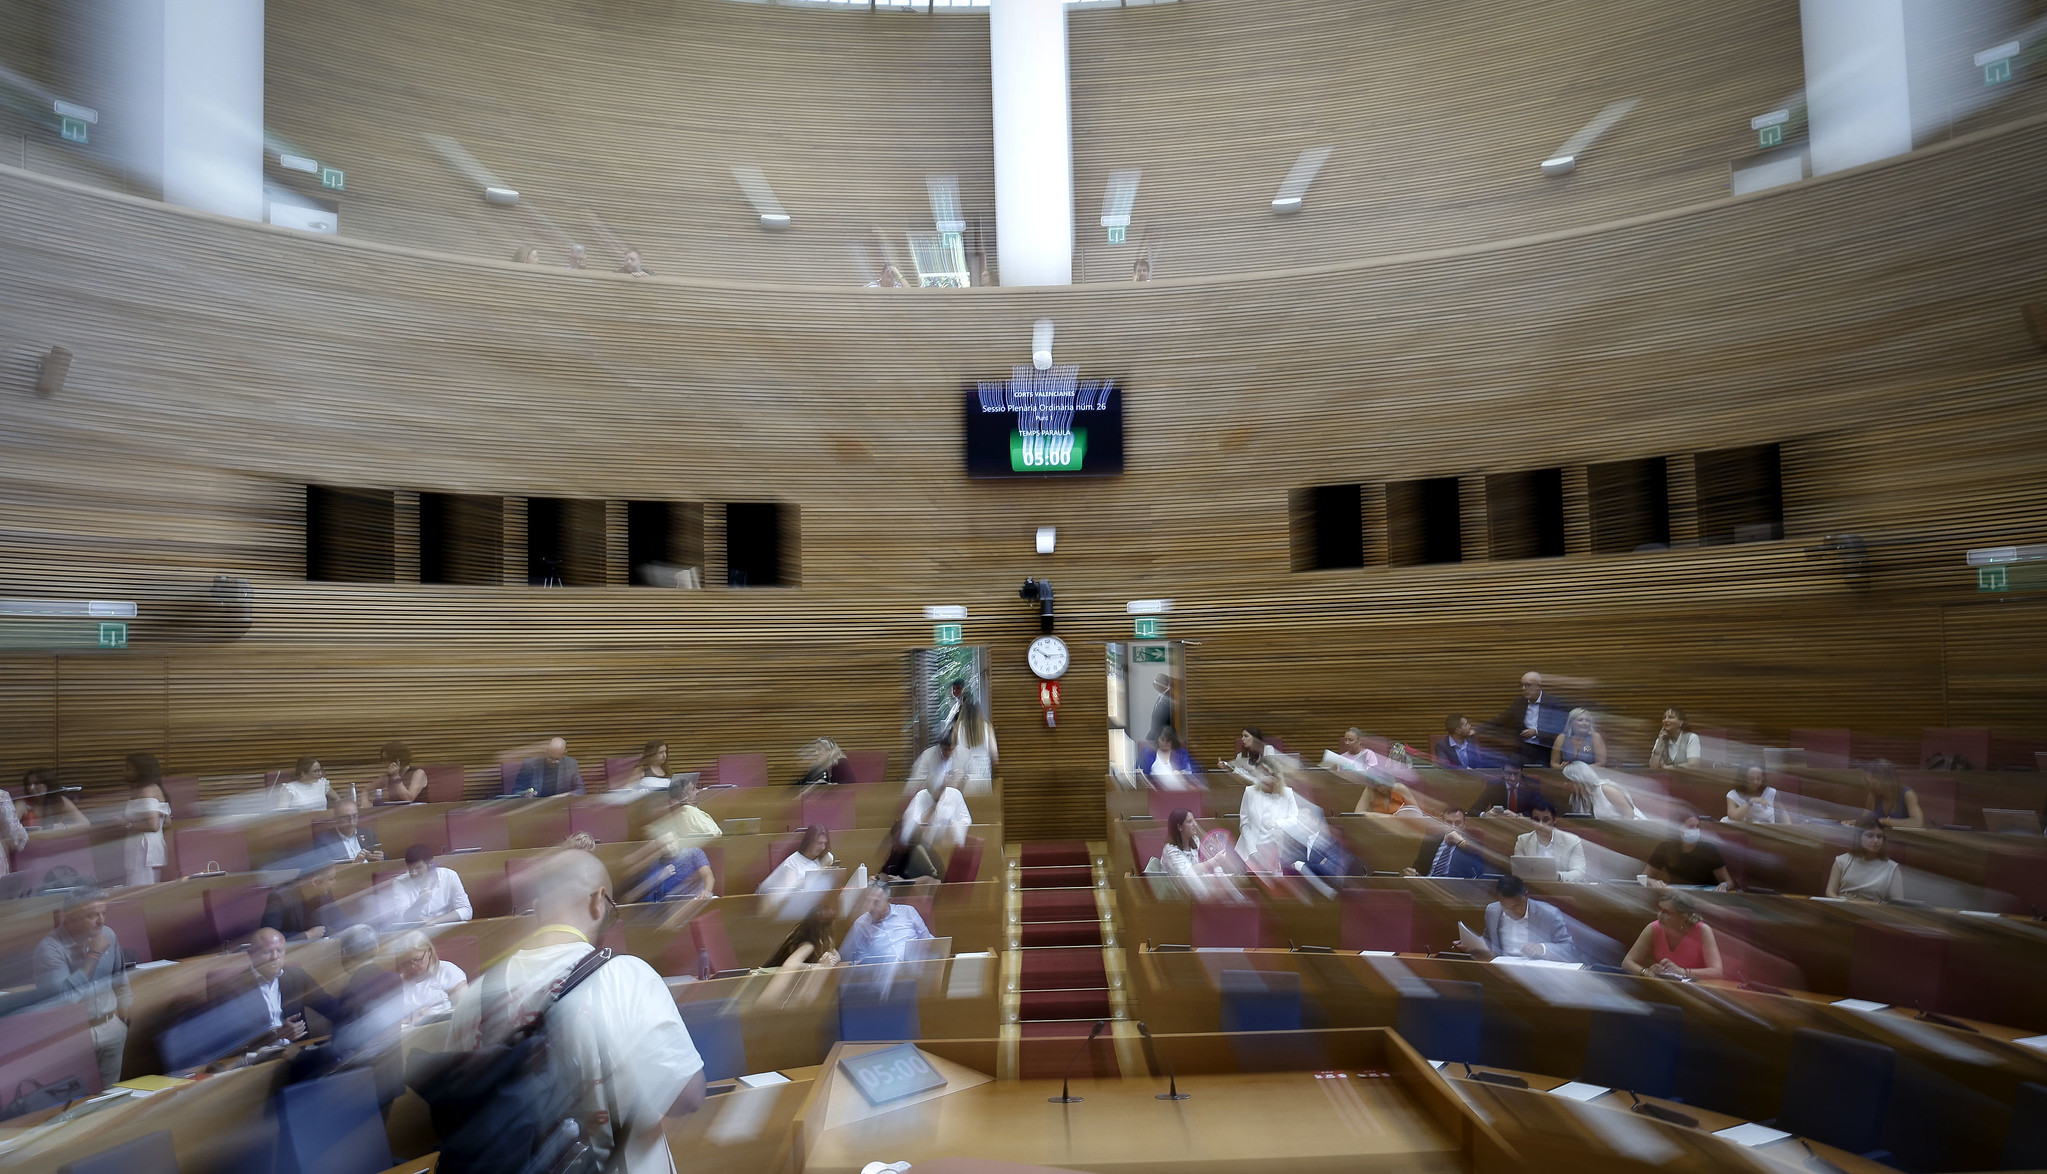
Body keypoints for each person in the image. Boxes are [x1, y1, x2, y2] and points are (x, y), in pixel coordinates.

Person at [448, 849, 704, 1174]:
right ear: (599, 900)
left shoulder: (473, 997)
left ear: (538, 911)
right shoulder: (624, 975)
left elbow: (462, 1111)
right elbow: (688, 1095)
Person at [33, 889, 132, 1086]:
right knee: (77, 1103)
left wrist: (124, 1020)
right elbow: (65, 999)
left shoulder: (109, 935)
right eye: (92, 915)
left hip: (112, 1028)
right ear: (71, 917)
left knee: (110, 1099)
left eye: (103, 913)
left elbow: (120, 979)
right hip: (73, 1038)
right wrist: (94, 955)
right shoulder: (49, 949)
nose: (101, 921)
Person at [219, 927, 341, 1044]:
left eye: (279, 951)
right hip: (256, 1057)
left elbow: (327, 1005)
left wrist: (352, 1011)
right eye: (267, 951)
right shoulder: (233, 987)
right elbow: (236, 1034)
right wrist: (275, 1034)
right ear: (251, 954)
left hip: (295, 1052)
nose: (275, 957)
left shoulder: (296, 977)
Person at [1235, 759, 1323, 874]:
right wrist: (1252, 851)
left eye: (1266, 774)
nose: (1261, 778)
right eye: (1259, 773)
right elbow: (1245, 824)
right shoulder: (1250, 792)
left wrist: (1277, 823)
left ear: (1276, 777)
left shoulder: (1287, 793)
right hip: (1250, 848)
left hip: (1274, 848)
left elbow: (1295, 819)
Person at [1465, 876, 1580, 962]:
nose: (1511, 912)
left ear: (1526, 896)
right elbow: (1489, 940)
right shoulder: (1493, 910)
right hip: (1503, 969)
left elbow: (1569, 949)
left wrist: (1543, 948)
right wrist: (1472, 943)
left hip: (1537, 973)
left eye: (1516, 906)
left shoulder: (1549, 913)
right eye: (1505, 906)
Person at [1624, 893, 1724, 980]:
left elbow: (1717, 972)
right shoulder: (1653, 927)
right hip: (1665, 987)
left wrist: (1683, 972)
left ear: (1683, 917)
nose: (1659, 915)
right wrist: (1647, 972)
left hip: (1697, 989)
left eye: (1666, 912)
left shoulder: (1703, 930)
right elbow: (1627, 962)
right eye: (1659, 909)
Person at [1489, 671, 1572, 767]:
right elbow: (1502, 719)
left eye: (1527, 685)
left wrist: (1536, 732)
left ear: (1538, 686)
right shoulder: (1519, 701)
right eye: (1522, 685)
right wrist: (1477, 730)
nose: (1524, 689)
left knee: (1544, 771)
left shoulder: (1552, 701)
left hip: (1544, 747)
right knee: (1510, 765)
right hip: (1524, 747)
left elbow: (1558, 728)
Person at [385, 931, 468, 1024]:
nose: (412, 966)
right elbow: (391, 1022)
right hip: (409, 1034)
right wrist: (410, 1021)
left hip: (443, 1030)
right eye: (406, 962)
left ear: (429, 952)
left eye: (417, 960)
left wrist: (434, 1017)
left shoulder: (447, 971)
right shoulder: (398, 982)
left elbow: (465, 1010)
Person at [841, 883, 934, 965]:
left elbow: (926, 939)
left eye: (876, 902)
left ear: (888, 900)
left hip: (914, 966)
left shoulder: (908, 912)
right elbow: (862, 958)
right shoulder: (861, 924)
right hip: (881, 974)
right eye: (868, 901)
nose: (870, 907)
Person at [381, 844, 474, 926]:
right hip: (416, 933)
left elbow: (466, 911)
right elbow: (403, 919)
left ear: (430, 864)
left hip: (446, 926)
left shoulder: (450, 876)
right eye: (410, 869)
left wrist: (434, 920)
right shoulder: (400, 882)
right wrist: (419, 903)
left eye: (418, 868)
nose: (413, 873)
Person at [1159, 809, 1237, 897]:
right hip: (1178, 896)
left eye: (1194, 820)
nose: (1195, 824)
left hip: (1196, 890)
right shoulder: (1170, 850)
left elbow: (1205, 861)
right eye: (1189, 822)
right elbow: (1188, 874)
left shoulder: (1195, 840)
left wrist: (1218, 870)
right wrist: (1215, 860)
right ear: (1179, 827)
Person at [1646, 812, 1733, 889]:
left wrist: (1724, 885)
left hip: (1705, 897)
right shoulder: (1665, 847)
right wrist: (1652, 882)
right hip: (1678, 895)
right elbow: (1644, 877)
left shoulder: (1709, 849)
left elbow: (1729, 882)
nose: (1695, 830)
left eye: (1697, 826)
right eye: (1691, 827)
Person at [263, 861, 347, 941]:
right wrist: (307, 935)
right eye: (331, 879)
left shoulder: (325, 892)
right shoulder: (279, 898)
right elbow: (268, 937)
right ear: (315, 882)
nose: (334, 882)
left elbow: (339, 919)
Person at [1512, 799, 1592, 882]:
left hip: (1563, 889)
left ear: (1554, 820)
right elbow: (1519, 873)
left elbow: (1579, 873)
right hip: (1533, 889)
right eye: (1536, 820)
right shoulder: (1523, 840)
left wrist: (1558, 876)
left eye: (1546, 820)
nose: (1541, 825)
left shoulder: (1572, 841)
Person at [122, 753, 170, 888]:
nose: (124, 771)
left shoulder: (147, 791)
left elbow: (153, 825)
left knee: (139, 891)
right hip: (146, 847)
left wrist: (127, 825)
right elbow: (166, 822)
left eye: (128, 768)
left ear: (141, 771)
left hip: (142, 850)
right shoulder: (153, 789)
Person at [1826, 821, 1904, 902]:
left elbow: (1897, 902)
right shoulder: (1842, 860)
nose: (1875, 840)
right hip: (1844, 907)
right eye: (1870, 836)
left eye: (1879, 836)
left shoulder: (1892, 867)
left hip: (1872, 911)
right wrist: (1843, 902)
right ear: (1859, 838)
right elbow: (1830, 892)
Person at [1405, 806, 1490, 879]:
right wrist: (1413, 872)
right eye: (1448, 822)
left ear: (1464, 825)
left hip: (1456, 890)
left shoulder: (1472, 845)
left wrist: (1460, 842)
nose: (1453, 827)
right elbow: (1418, 868)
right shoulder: (1430, 841)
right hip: (1429, 887)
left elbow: (1478, 871)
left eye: (1457, 823)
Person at [900, 770, 971, 855]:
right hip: (924, 844)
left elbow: (966, 819)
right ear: (929, 790)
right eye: (935, 790)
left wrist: (954, 825)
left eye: (941, 789)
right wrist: (933, 808)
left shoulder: (955, 794)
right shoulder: (921, 796)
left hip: (949, 843)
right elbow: (914, 822)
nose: (939, 793)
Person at [630, 838, 715, 904]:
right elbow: (642, 893)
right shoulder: (656, 863)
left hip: (697, 900)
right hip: (669, 907)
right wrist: (658, 877)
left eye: (671, 842)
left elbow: (707, 875)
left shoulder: (694, 853)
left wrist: (707, 890)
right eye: (664, 845)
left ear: (677, 839)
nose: (668, 847)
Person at [757, 825, 836, 894]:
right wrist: (817, 874)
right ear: (809, 842)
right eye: (819, 843)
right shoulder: (792, 862)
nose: (822, 847)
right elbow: (790, 892)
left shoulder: (826, 858)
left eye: (825, 843)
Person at [650, 775, 722, 847]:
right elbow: (716, 835)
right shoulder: (689, 811)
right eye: (693, 789)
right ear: (684, 795)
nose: (698, 791)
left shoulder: (683, 811)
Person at [1852, 762, 1923, 829]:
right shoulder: (1873, 795)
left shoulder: (1908, 795)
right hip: (1878, 838)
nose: (1871, 787)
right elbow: (1865, 818)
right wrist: (1855, 822)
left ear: (1886, 780)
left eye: (1874, 784)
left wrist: (1886, 822)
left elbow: (1917, 823)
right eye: (1868, 783)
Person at [1563, 761, 1643, 820]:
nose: (1565, 784)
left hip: (1632, 830)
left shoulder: (1606, 789)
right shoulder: (1577, 797)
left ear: (1578, 780)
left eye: (1568, 780)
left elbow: (1629, 814)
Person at [764, 907, 840, 968]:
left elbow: (836, 955)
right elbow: (790, 965)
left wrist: (830, 960)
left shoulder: (821, 940)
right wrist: (821, 965)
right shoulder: (808, 945)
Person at [317, 798, 385, 864]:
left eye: (355, 816)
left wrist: (381, 858)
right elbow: (326, 872)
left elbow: (386, 861)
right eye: (346, 817)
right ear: (336, 818)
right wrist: (355, 866)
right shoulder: (324, 841)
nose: (352, 822)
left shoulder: (368, 833)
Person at [17, 768, 87, 830]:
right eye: (29, 784)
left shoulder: (61, 801)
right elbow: (9, 830)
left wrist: (64, 828)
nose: (31, 788)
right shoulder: (22, 804)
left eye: (37, 783)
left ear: (48, 785)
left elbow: (85, 824)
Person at [512, 737, 585, 797]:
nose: (553, 762)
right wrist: (525, 794)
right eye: (550, 758)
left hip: (560, 807)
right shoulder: (530, 764)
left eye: (557, 759)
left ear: (564, 753)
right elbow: (516, 791)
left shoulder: (571, 764)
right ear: (546, 751)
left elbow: (581, 790)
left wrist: (567, 795)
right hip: (535, 806)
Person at [1140, 728, 1204, 790]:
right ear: (1158, 739)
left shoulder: (1181, 753)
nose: (1165, 743)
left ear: (1173, 741)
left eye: (1168, 740)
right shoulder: (1148, 753)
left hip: (1178, 790)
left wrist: (1182, 773)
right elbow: (1137, 773)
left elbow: (1189, 772)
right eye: (1162, 740)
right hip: (1154, 790)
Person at [1468, 761, 1541, 816]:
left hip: (1525, 826)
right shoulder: (1493, 786)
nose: (1512, 778)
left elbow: (1539, 810)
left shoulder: (1531, 785)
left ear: (1521, 772)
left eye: (1516, 774)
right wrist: (1485, 815)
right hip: (1500, 826)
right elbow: (1473, 810)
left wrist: (1517, 816)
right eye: (1509, 773)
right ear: (1502, 772)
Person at [905, 727, 964, 794]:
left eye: (951, 750)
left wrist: (963, 777)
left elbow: (974, 779)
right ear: (940, 746)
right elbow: (916, 780)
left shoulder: (965, 754)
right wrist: (938, 779)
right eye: (945, 749)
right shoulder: (928, 755)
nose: (948, 753)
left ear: (956, 746)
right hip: (931, 797)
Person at [1354, 777, 1424, 817]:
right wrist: (1385, 817)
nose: (1382, 788)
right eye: (1378, 786)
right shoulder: (1370, 790)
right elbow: (1357, 814)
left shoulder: (1400, 788)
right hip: (1379, 829)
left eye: (1384, 784)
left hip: (1402, 829)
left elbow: (1417, 812)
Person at [1146, 675, 1176, 743]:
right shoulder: (1161, 696)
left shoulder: (1169, 697)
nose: (1153, 684)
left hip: (1162, 737)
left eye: (1156, 681)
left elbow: (1164, 720)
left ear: (1164, 682)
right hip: (1155, 736)